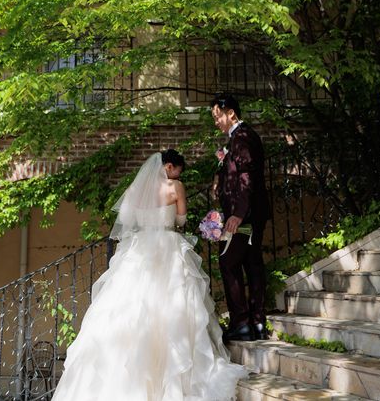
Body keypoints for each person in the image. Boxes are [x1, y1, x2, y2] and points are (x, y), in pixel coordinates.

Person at [51, 149, 248, 400]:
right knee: (173, 306)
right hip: (167, 245)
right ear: (169, 166)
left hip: (139, 249)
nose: (178, 175)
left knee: (131, 308)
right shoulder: (176, 187)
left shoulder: (135, 189)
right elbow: (181, 220)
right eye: (177, 170)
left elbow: (126, 219)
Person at [210, 94, 271, 342]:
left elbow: (246, 177)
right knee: (251, 263)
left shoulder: (242, 137)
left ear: (231, 113)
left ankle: (242, 323)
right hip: (252, 214)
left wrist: (237, 214)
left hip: (245, 217)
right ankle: (257, 322)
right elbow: (237, 173)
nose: (216, 122)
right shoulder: (240, 137)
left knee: (228, 262)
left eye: (217, 116)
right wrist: (220, 176)